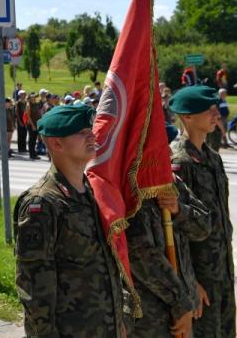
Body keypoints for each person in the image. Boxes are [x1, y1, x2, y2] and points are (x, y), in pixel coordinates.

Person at [13, 104, 128, 337]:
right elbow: (33, 287)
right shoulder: (42, 204)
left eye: (90, 129)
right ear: (57, 144)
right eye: (80, 132)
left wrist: (119, 322)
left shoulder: (88, 191)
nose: (91, 136)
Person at [127, 137, 211, 337]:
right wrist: (181, 303)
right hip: (152, 317)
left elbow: (204, 227)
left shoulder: (172, 182)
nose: (170, 152)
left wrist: (178, 209)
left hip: (184, 305)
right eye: (161, 146)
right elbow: (142, 256)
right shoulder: (132, 192)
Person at [169, 85, 236, 336]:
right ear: (187, 116)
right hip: (199, 278)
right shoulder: (178, 162)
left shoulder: (212, 158)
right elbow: (174, 231)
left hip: (222, 272)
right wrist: (189, 282)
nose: (216, 114)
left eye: (215, 109)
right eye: (207, 111)